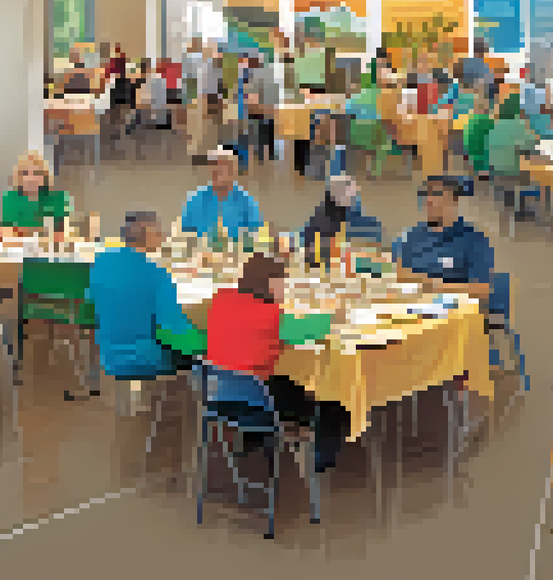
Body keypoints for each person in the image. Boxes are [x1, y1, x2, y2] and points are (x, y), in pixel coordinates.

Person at [204, 252, 344, 472]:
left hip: (216, 393)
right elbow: (313, 329)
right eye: (283, 284)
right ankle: (319, 465)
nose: (286, 290)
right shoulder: (271, 316)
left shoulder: (221, 300)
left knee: (280, 380)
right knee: (333, 399)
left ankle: (254, 443)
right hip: (256, 402)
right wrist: (336, 314)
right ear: (268, 283)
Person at [87, 211, 200, 380]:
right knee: (202, 358)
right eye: (159, 232)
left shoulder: (100, 263)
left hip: (108, 354)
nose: (163, 236)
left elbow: (93, 302)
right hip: (146, 357)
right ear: (148, 235)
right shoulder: (157, 274)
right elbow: (175, 327)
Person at [392, 175, 507, 315]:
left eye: (437, 194)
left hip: (454, 315)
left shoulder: (474, 240)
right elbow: (400, 274)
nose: (429, 200)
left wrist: (433, 286)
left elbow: (481, 289)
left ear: (454, 200)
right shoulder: (411, 235)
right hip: (411, 310)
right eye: (426, 194)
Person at [179, 149, 263, 239]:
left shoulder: (246, 203)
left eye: (224, 165)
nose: (217, 169)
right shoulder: (195, 200)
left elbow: (257, 236)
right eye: (214, 165)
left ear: (233, 170)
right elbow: (184, 236)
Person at [300, 173, 384, 255]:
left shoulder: (347, 212)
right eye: (351, 195)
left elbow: (371, 227)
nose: (353, 197)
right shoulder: (324, 219)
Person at [0, 150, 72, 231]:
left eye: (37, 173)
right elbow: (8, 231)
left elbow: (63, 231)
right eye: (25, 173)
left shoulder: (58, 198)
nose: (31, 179)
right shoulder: (10, 198)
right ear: (18, 177)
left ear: (45, 176)